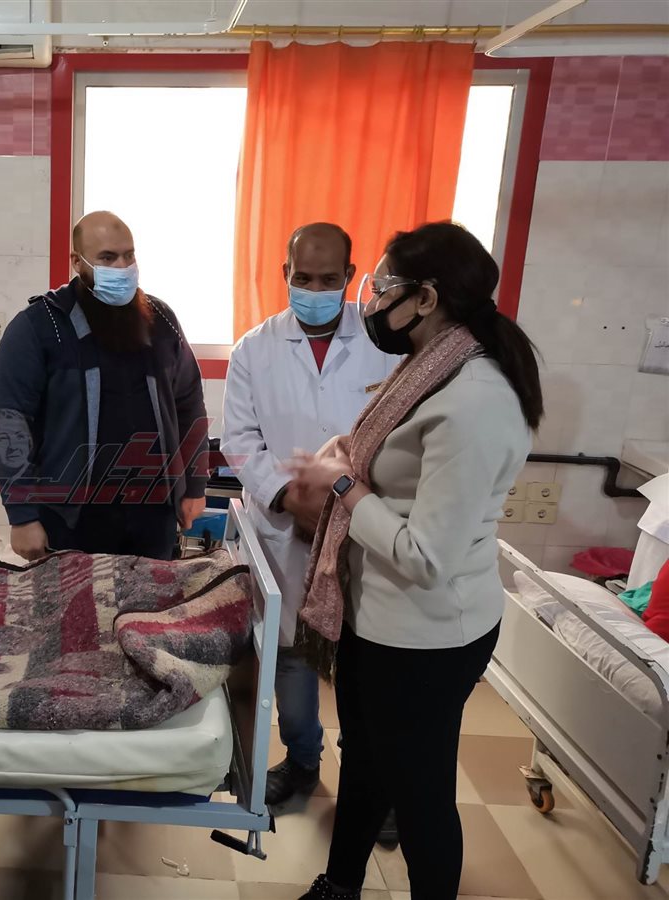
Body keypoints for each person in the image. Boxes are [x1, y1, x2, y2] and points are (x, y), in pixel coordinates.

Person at [286, 222, 543, 900]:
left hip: (427, 635)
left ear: (426, 298)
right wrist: (347, 458)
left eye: (383, 288)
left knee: (420, 793)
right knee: (365, 767)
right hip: (377, 618)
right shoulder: (432, 368)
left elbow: (427, 556)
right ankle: (340, 885)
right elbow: (399, 468)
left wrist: (344, 486)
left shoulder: (476, 399)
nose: (371, 303)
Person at [222, 223, 396, 813]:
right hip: (285, 527)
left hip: (368, 523)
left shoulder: (386, 342)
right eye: (303, 278)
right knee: (291, 654)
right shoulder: (254, 348)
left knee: (368, 660)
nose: (314, 290)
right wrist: (288, 500)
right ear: (285, 274)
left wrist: (347, 505)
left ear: (350, 276)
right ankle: (301, 760)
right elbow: (239, 441)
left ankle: (372, 784)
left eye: (328, 279)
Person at [0, 210, 209, 562]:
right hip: (71, 521)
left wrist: (194, 486)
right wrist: (22, 515)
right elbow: (10, 424)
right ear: (77, 261)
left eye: (128, 255)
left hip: (153, 519)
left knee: (151, 600)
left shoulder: (160, 320)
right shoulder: (40, 327)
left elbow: (189, 403)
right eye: (108, 258)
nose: (122, 267)